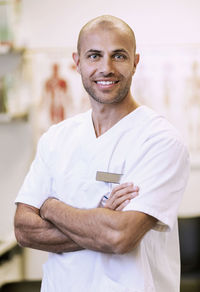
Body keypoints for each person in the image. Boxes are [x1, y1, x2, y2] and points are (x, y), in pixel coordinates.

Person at [14, 15, 190, 292]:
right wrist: (99, 220)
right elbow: (24, 229)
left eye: (118, 56)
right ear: (78, 62)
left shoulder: (160, 141)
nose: (105, 68)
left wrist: (50, 207)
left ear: (135, 62)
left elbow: (119, 236)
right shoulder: (56, 138)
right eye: (94, 55)